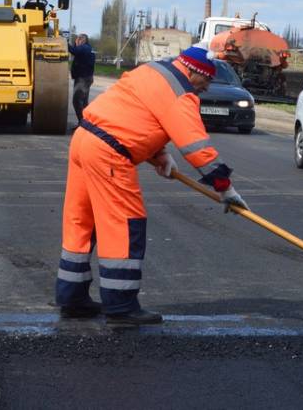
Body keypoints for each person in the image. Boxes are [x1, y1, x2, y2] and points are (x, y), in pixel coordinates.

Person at [55, 45, 249, 326]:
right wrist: (225, 189)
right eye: (206, 80)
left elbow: (135, 113)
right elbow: (197, 149)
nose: (206, 87)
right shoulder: (181, 95)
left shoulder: (152, 71)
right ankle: (121, 307)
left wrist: (159, 154)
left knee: (82, 222)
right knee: (123, 225)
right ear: (194, 72)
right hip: (109, 154)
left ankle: (72, 299)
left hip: (85, 140)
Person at [68, 34, 95, 124]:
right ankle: (86, 123)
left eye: (78, 39)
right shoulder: (87, 48)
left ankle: (83, 123)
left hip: (83, 79)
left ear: (82, 40)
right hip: (85, 78)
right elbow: (77, 51)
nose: (76, 41)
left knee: (77, 100)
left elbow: (73, 51)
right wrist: (76, 44)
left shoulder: (84, 48)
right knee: (83, 102)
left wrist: (64, 42)